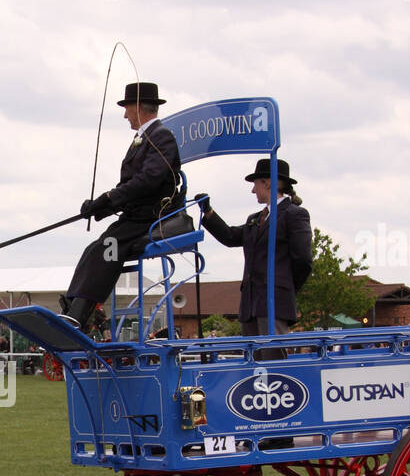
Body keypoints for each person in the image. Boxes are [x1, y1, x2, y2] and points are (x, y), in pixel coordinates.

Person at [62, 81, 184, 330]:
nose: (125, 114)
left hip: (150, 217)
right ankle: (73, 306)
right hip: (135, 216)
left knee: (107, 249)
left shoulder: (162, 138)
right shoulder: (145, 139)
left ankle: (80, 316)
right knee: (94, 248)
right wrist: (99, 208)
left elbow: (147, 181)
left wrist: (107, 198)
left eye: (127, 108)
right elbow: (129, 186)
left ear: (139, 107)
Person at [199, 158, 312, 349]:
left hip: (274, 301)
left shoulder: (294, 214)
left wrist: (284, 288)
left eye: (255, 184)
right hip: (251, 304)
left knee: (273, 359)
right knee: (254, 361)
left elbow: (303, 260)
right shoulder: (255, 219)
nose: (253, 190)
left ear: (267, 183)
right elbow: (229, 236)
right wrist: (208, 213)